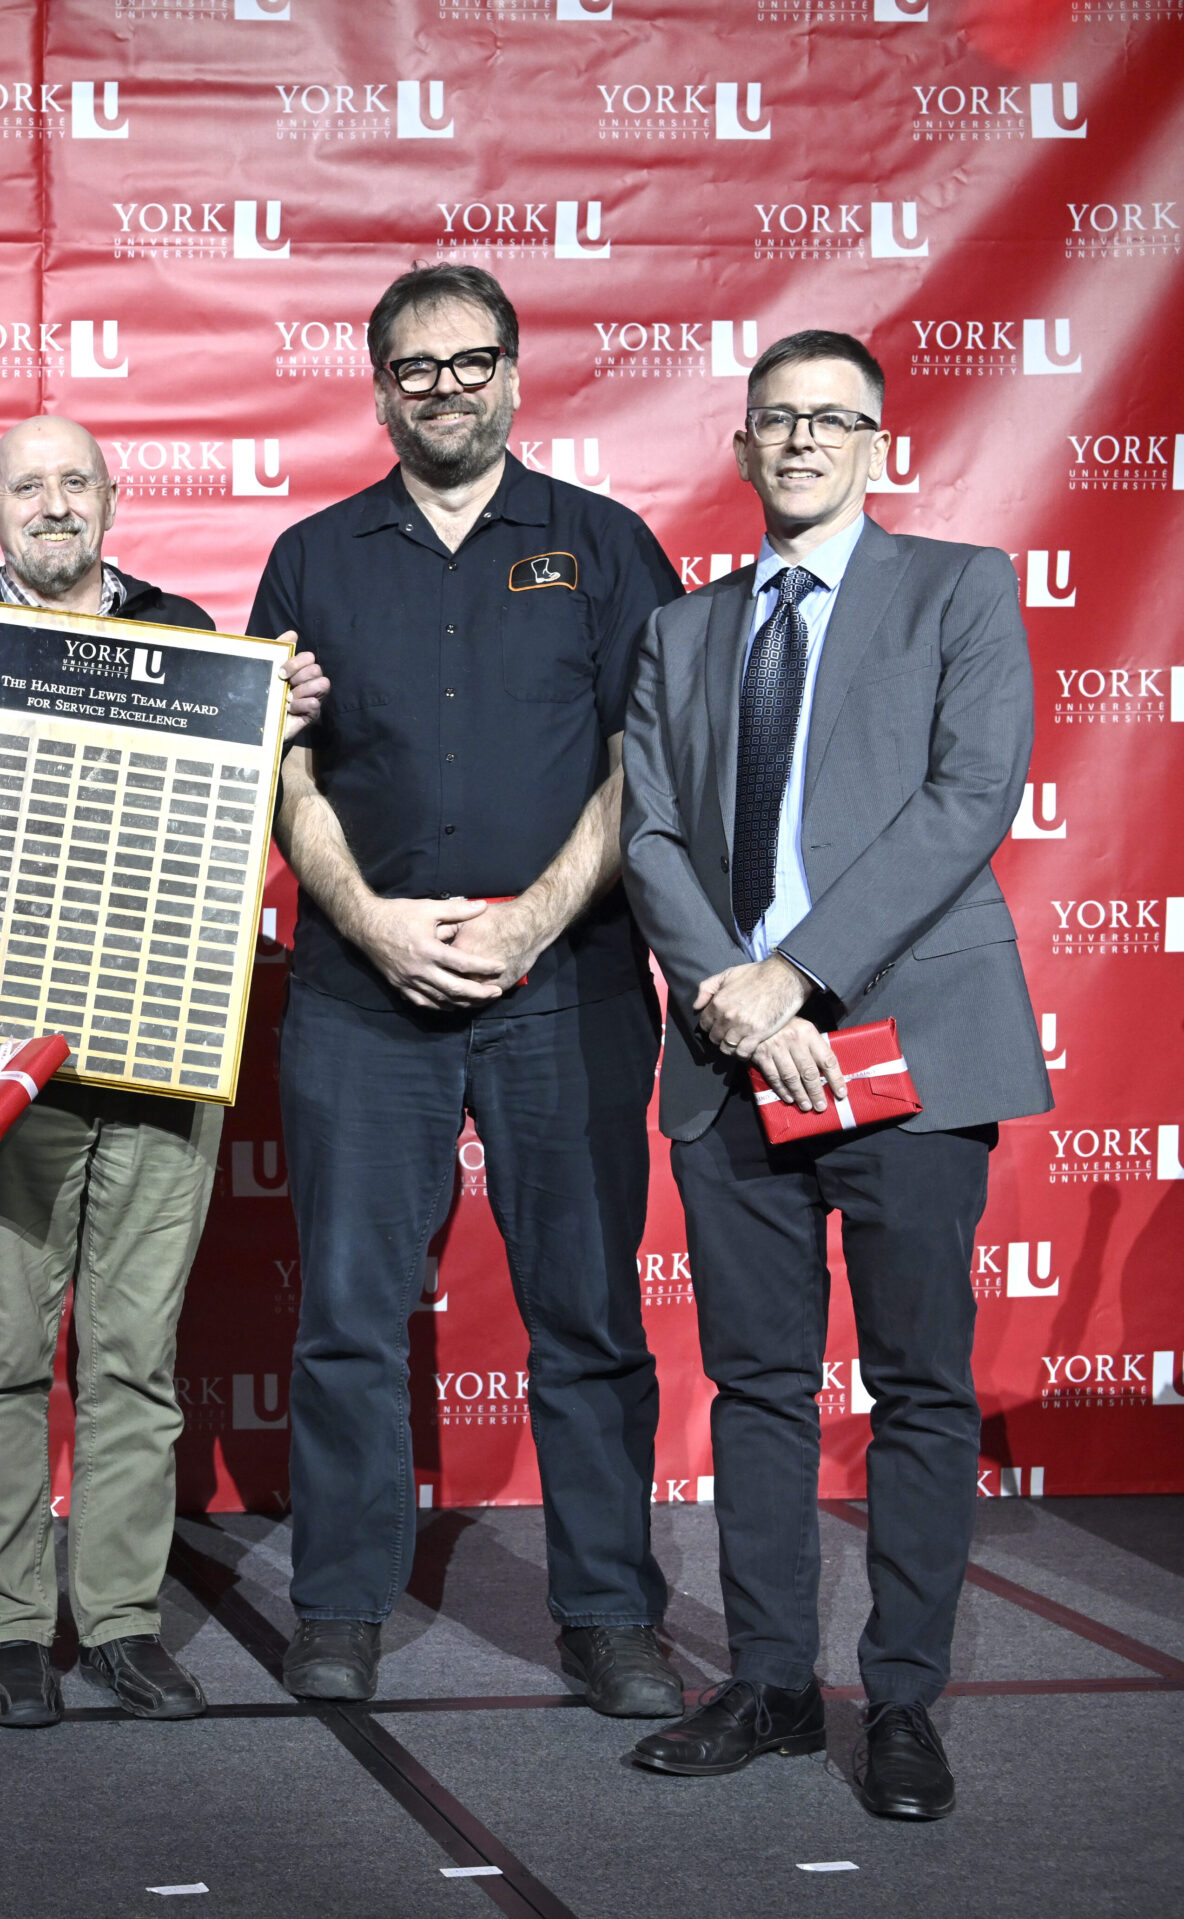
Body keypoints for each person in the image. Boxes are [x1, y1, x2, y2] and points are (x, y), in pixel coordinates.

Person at [621, 331, 1050, 1819]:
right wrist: (739, 1007)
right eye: (775, 421)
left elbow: (965, 800)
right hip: (738, 1062)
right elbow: (653, 835)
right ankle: (771, 1681)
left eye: (830, 418)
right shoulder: (685, 631)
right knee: (752, 1384)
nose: (800, 440)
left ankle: (908, 1697)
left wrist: (795, 974)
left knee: (922, 1384)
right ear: (742, 448)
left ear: (880, 442)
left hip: (907, 1048)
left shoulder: (961, 589)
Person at [255, 263, 686, 1714]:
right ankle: (339, 1606)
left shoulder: (605, 544)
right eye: (416, 366)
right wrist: (373, 921)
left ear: (516, 373)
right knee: (351, 1319)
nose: (446, 385)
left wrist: (534, 918)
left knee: (586, 1313)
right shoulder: (312, 557)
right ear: (380, 387)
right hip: (359, 995)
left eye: (470, 359)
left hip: (567, 986)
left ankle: (612, 1612)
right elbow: (276, 764)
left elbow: (652, 763)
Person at [0, 415, 327, 1729]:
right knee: (5, 1352)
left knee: (136, 1357)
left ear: (113, 500)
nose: (54, 502)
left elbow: (236, 823)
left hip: (160, 1055)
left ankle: (123, 1620)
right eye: (29, 484)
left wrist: (286, 727)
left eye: (76, 480)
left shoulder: (195, 633)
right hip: (4, 1063)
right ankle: (12, 1626)